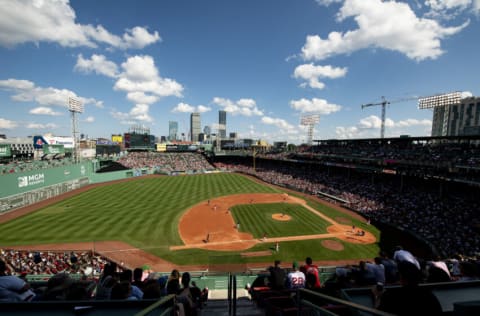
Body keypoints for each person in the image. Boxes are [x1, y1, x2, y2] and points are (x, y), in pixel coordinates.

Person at [376, 261, 442, 316]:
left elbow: (377, 313)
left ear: (401, 277)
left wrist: (378, 296)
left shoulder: (390, 295)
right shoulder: (429, 295)